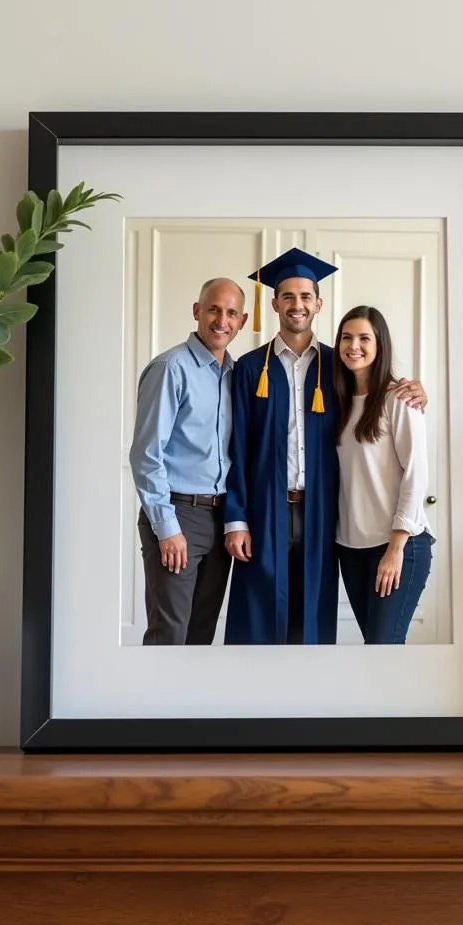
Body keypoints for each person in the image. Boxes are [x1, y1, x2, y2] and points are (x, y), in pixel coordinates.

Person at [222, 247, 427, 645]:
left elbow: (379, 394)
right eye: (287, 296)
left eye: (305, 297)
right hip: (265, 511)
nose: (296, 305)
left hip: (323, 513)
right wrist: (236, 520)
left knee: (310, 616)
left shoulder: (339, 366)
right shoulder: (249, 368)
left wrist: (416, 390)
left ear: (318, 304)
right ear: (275, 303)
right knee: (258, 614)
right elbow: (236, 450)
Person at [129, 277, 248, 644]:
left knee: (200, 637)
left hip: (221, 519)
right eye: (213, 309)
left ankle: (191, 704)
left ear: (242, 321)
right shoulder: (170, 368)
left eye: (231, 313)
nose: (221, 320)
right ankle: (153, 704)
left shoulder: (237, 375)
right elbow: (146, 454)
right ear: (197, 311)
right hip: (178, 513)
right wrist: (167, 528)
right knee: (170, 635)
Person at [333, 305, 434, 644]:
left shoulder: (400, 399)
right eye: (346, 337)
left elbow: (416, 474)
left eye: (364, 338)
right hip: (351, 548)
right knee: (375, 653)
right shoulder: (337, 401)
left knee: (384, 649)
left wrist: (395, 548)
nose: (354, 346)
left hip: (398, 545)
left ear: (380, 345)